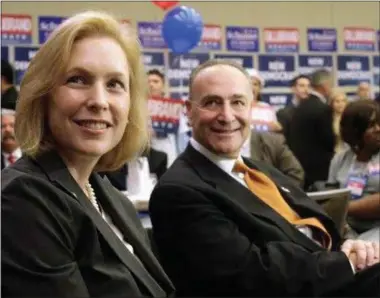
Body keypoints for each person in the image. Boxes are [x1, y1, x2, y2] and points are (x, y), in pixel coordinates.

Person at [149, 60, 380, 297]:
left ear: (251, 108)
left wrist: (352, 246)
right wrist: (346, 263)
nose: (227, 116)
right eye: (212, 102)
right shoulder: (179, 191)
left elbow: (322, 225)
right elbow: (253, 274)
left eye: (237, 102)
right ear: (188, 111)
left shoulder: (260, 170)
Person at [1, 11, 174, 297]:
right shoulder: (21, 199)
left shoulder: (110, 195)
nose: (99, 101)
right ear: (43, 95)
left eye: (114, 84)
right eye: (78, 79)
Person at [328, 99, 380, 236]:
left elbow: (333, 206)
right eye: (371, 125)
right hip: (346, 229)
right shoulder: (340, 159)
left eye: (379, 123)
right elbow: (329, 198)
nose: (378, 129)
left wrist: (344, 208)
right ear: (354, 130)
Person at [287, 69, 336, 190]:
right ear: (324, 85)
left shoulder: (300, 107)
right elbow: (328, 141)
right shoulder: (323, 108)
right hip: (319, 170)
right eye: (331, 85)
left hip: (299, 167)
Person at [277, 74, 310, 141]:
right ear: (293, 89)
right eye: (302, 86)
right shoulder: (283, 114)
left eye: (309, 86)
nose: (306, 89)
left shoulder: (317, 111)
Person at [329, 89, 348, 153]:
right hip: (335, 153)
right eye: (337, 101)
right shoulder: (328, 119)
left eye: (343, 101)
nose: (341, 104)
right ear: (332, 103)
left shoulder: (351, 117)